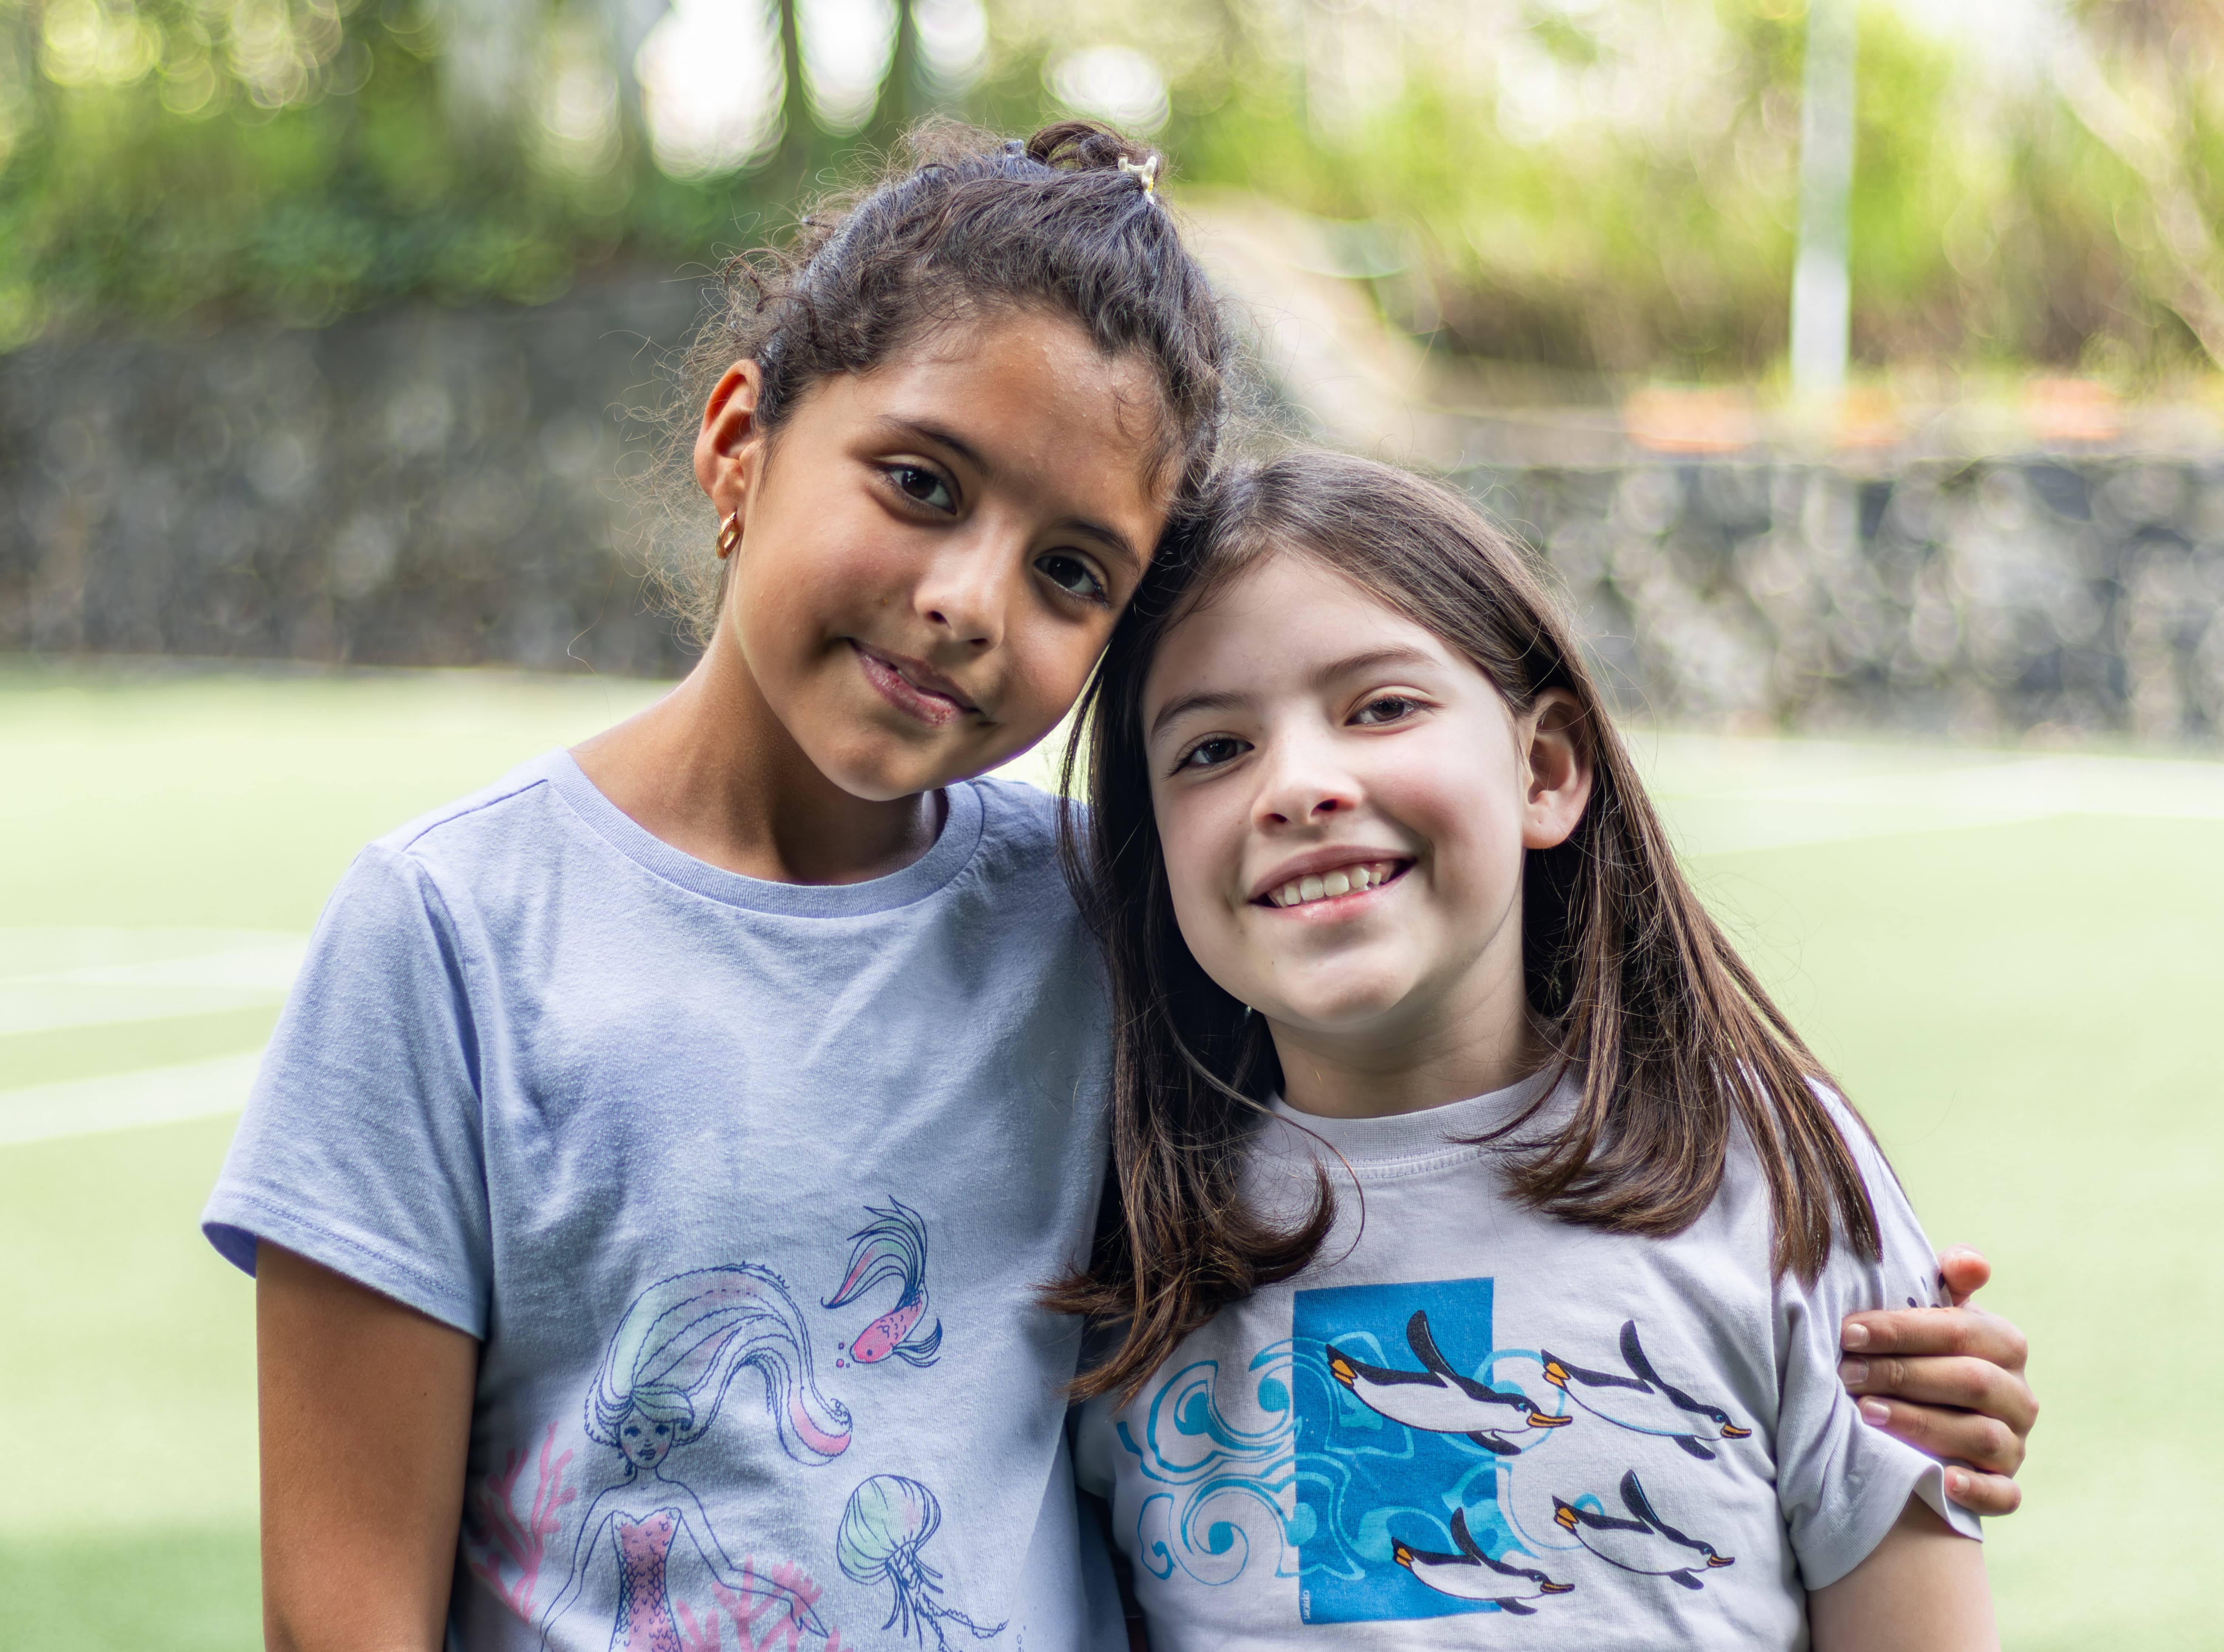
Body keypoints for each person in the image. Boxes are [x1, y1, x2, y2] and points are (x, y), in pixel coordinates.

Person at [200, 124, 2029, 1652]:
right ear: (740, 440)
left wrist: (1859, 1371)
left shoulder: (1124, 914)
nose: (970, 599)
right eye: (920, 482)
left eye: (1074, 572)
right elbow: (341, 1613)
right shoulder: (447, 936)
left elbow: (1423, 1219)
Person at [1059, 451, 2013, 1649]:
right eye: (1212, 749)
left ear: (1545, 770)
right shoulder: (1116, 1241)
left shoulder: (1768, 1174)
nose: (1299, 784)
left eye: (1381, 707)